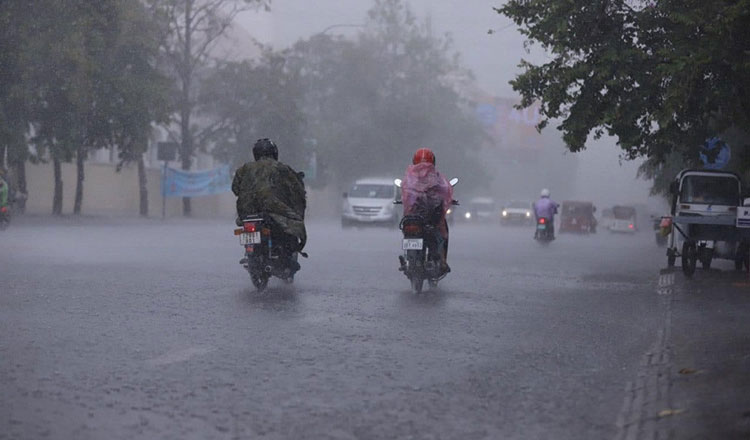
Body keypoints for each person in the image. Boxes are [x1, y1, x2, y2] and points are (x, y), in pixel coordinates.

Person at [232, 139, 307, 258]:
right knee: (295, 225)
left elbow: (235, 189)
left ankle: (251, 254)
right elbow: (297, 191)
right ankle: (288, 254)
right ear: (274, 153)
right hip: (275, 211)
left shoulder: (244, 169)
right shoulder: (282, 168)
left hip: (247, 213)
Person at [401, 148, 453, 272]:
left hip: (413, 216)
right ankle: (442, 261)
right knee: (442, 232)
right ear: (433, 161)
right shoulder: (436, 177)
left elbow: (406, 193)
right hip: (431, 216)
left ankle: (409, 257)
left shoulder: (410, 177)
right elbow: (445, 190)